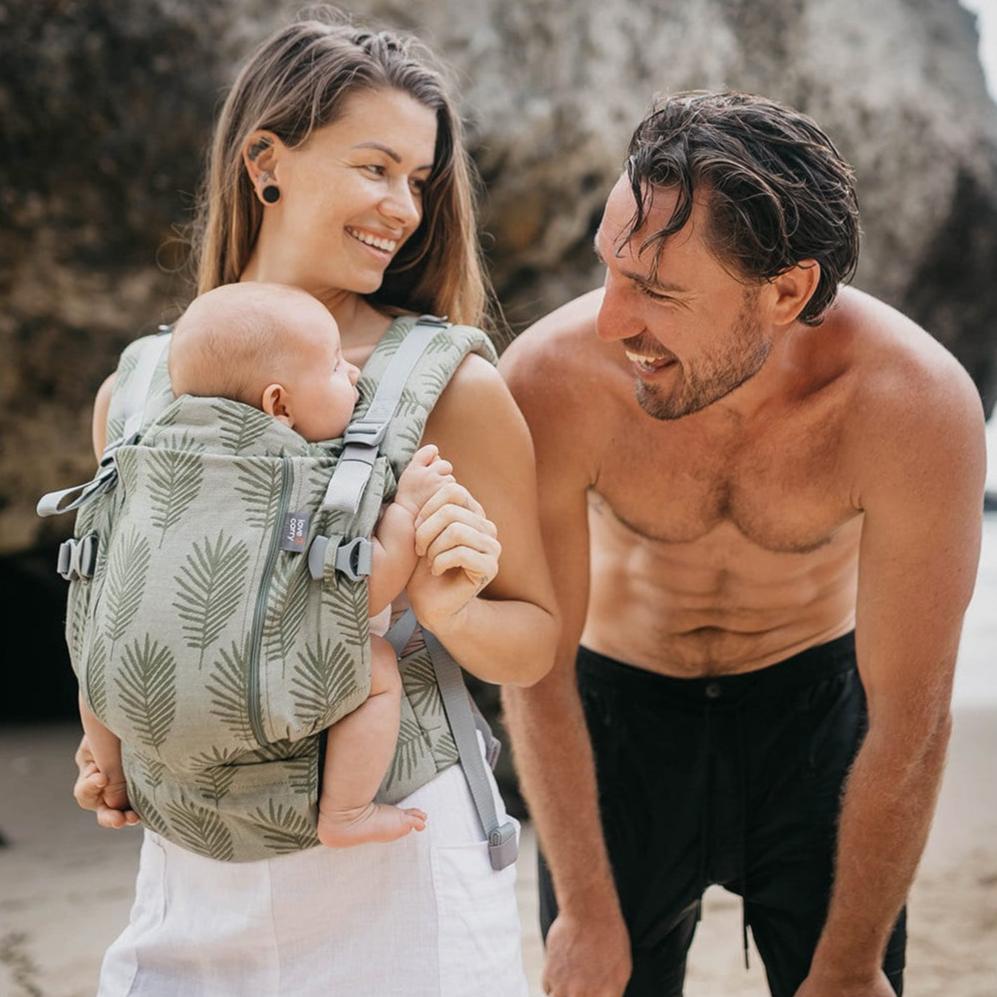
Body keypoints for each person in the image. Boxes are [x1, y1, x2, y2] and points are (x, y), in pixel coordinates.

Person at [72, 12, 559, 996]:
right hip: (189, 872)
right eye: (375, 167)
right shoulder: (138, 388)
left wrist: (454, 609)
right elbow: (128, 613)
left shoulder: (449, 385)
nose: (404, 208)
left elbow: (536, 639)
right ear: (266, 161)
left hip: (396, 870)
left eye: (418, 180)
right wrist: (106, 742)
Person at [501, 91, 986, 997]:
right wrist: (585, 910)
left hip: (812, 718)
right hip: (618, 722)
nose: (609, 321)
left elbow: (910, 723)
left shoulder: (911, 405)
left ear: (786, 292)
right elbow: (538, 670)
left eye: (653, 288)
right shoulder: (548, 377)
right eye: (608, 266)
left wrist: (848, 964)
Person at [81, 279, 465, 848]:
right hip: (255, 698)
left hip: (135, 691)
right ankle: (346, 812)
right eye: (337, 367)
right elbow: (363, 594)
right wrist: (405, 510)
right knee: (377, 668)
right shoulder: (301, 484)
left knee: (96, 657)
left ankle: (110, 774)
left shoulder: (148, 460)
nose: (355, 374)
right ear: (278, 405)